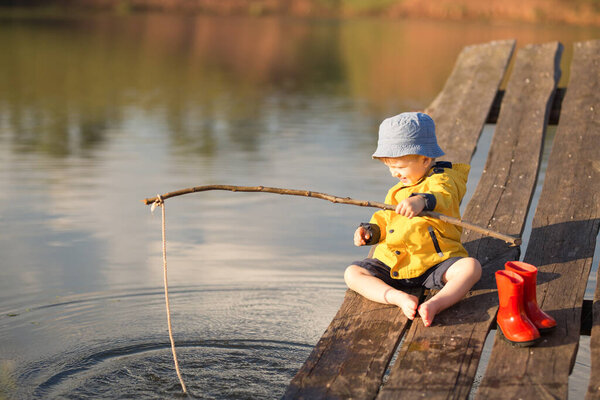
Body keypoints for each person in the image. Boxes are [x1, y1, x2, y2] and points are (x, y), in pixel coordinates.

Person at [344, 112, 481, 327]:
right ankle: (395, 296)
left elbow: (444, 196)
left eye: (399, 167)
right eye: (390, 167)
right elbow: (387, 218)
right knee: (353, 273)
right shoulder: (397, 190)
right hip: (395, 262)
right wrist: (371, 232)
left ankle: (436, 303)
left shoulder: (444, 178)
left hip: (434, 261)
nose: (393, 174)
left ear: (425, 159)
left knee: (471, 267)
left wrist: (422, 201)